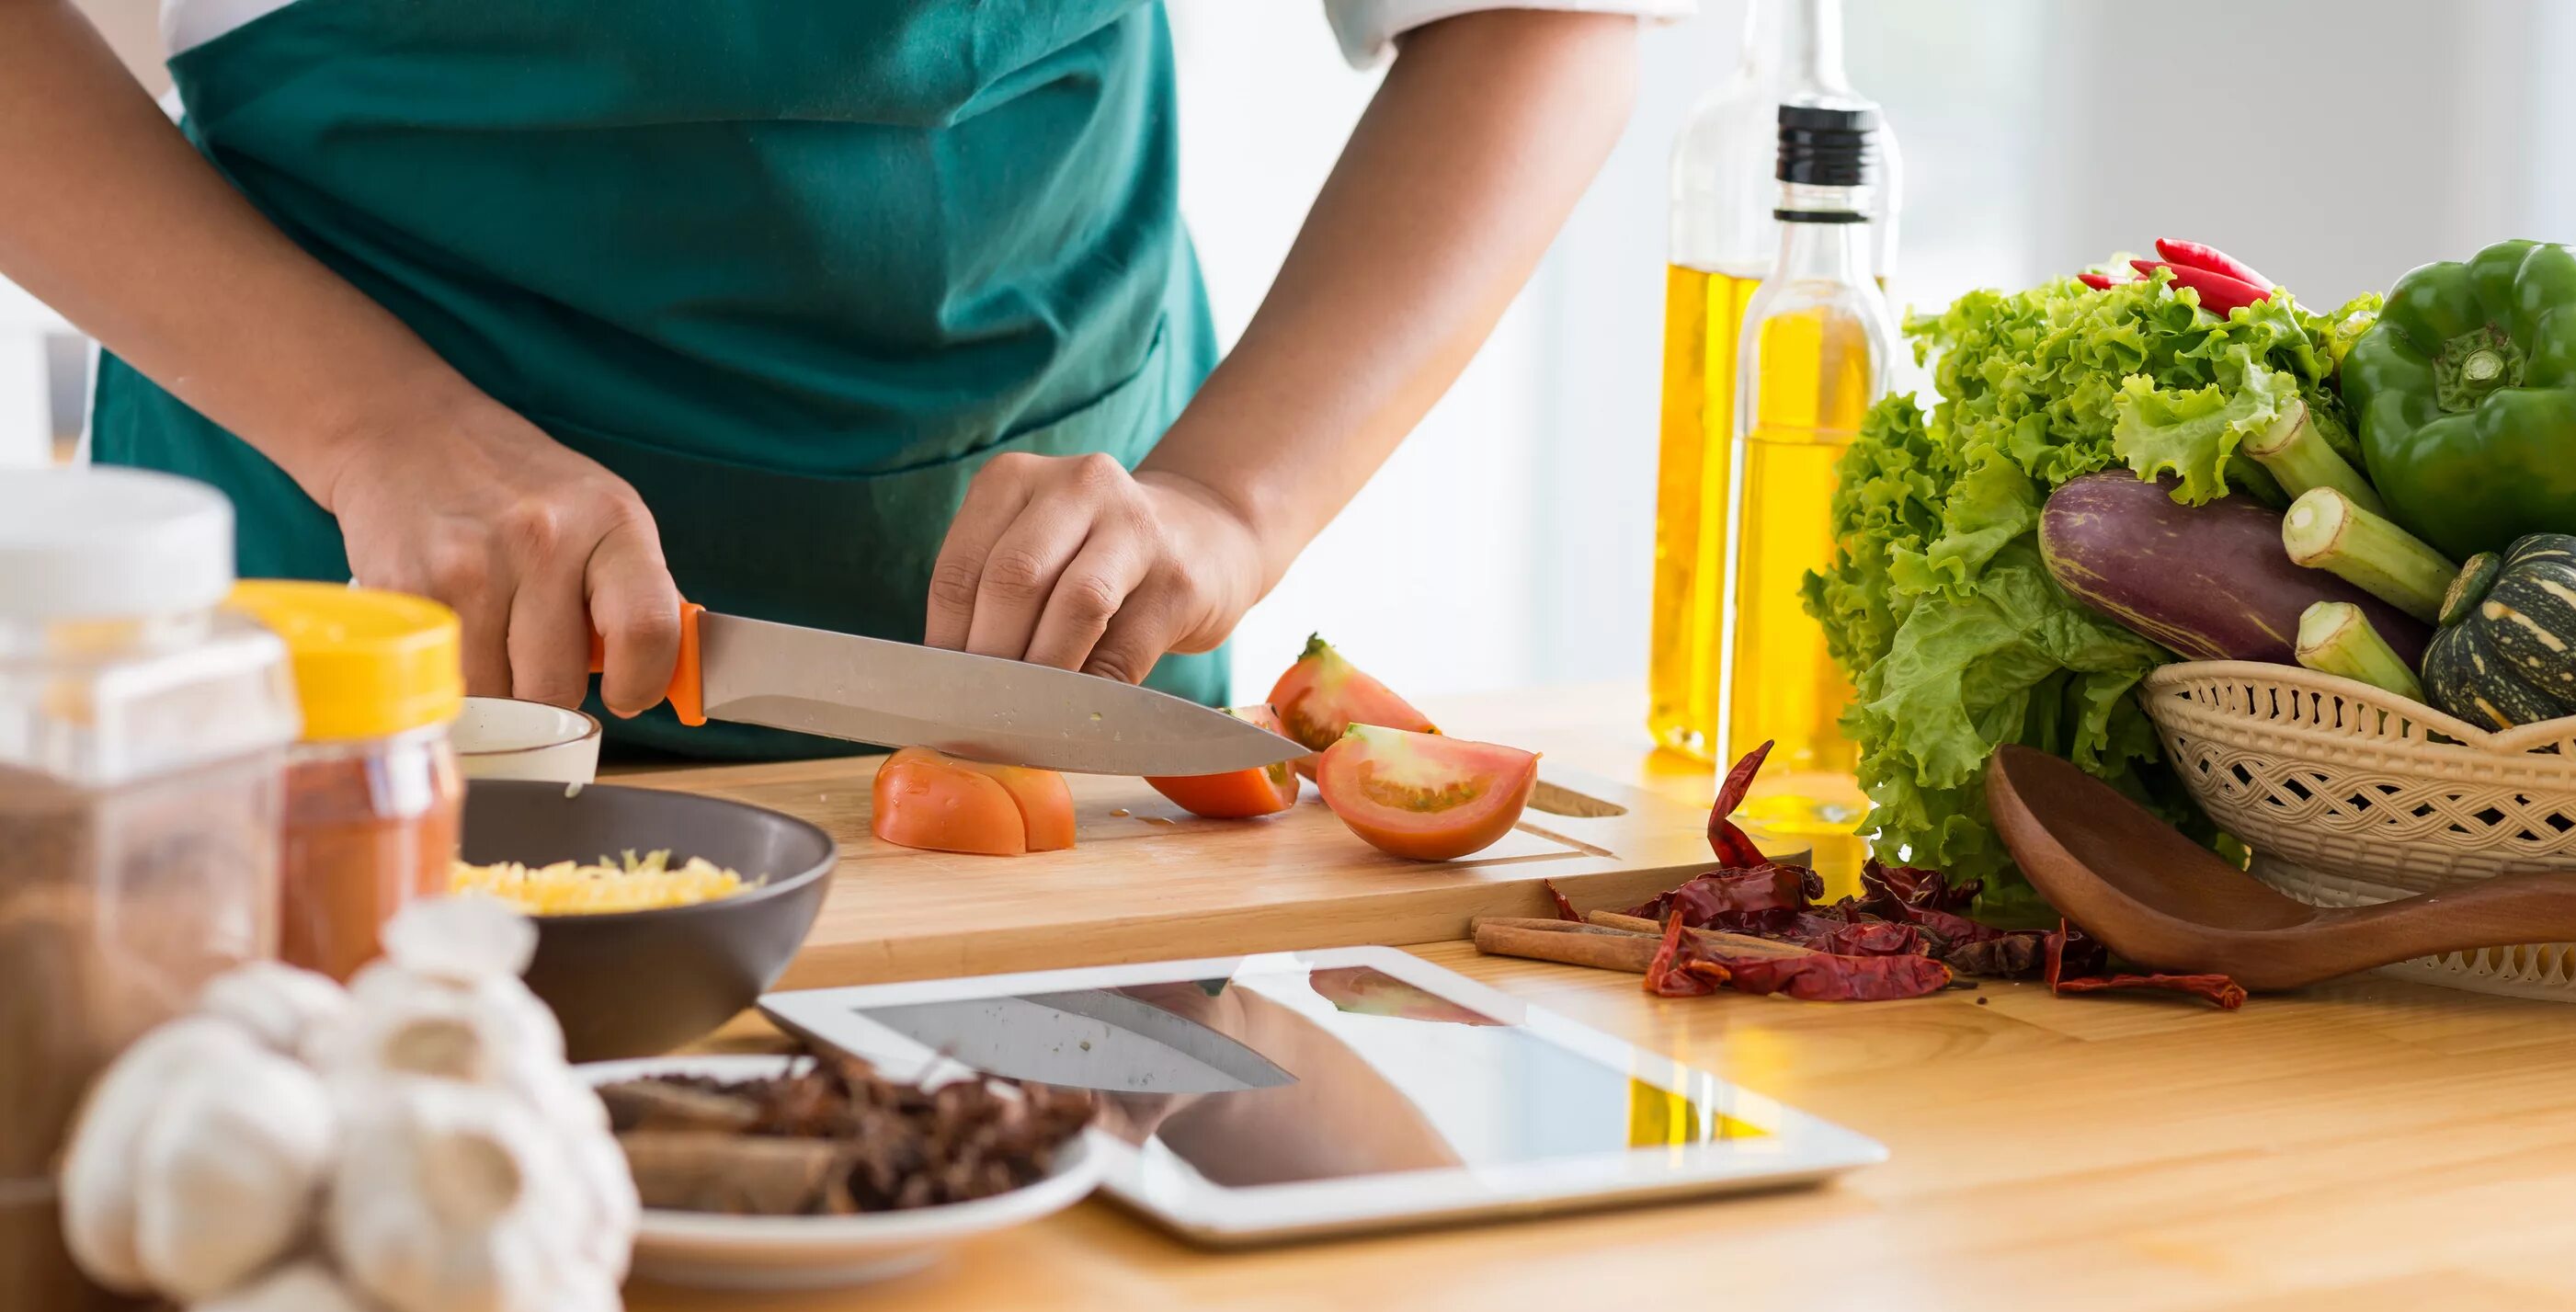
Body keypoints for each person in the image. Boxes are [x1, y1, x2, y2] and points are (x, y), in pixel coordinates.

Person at [0, 0, 1666, 757]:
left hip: (1052, 702)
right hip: (366, 656)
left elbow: (1540, 15)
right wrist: (374, 427)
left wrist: (1230, 497)